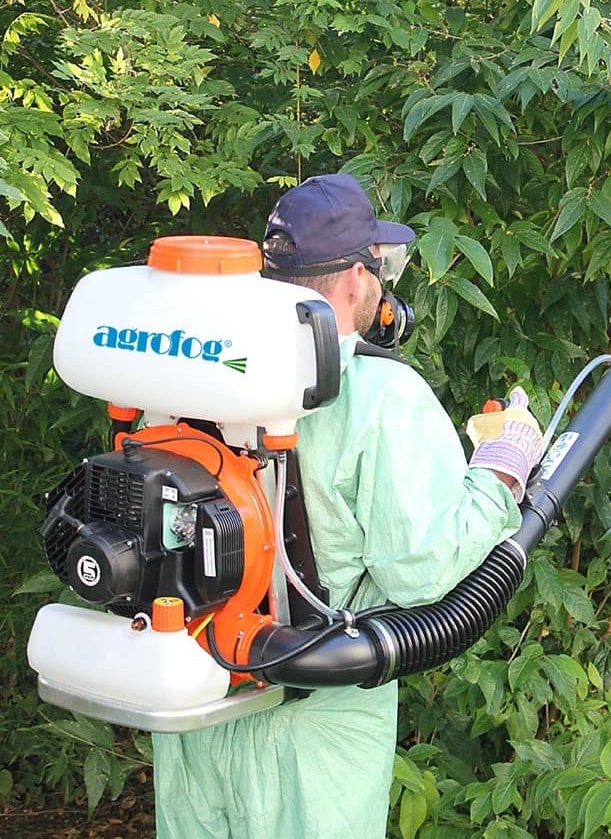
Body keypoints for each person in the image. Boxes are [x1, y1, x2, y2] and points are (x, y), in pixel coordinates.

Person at [151, 173, 543, 839]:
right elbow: (422, 569)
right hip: (316, 721)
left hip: (195, 697)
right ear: (360, 279)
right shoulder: (383, 394)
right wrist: (502, 470)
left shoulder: (193, 369)